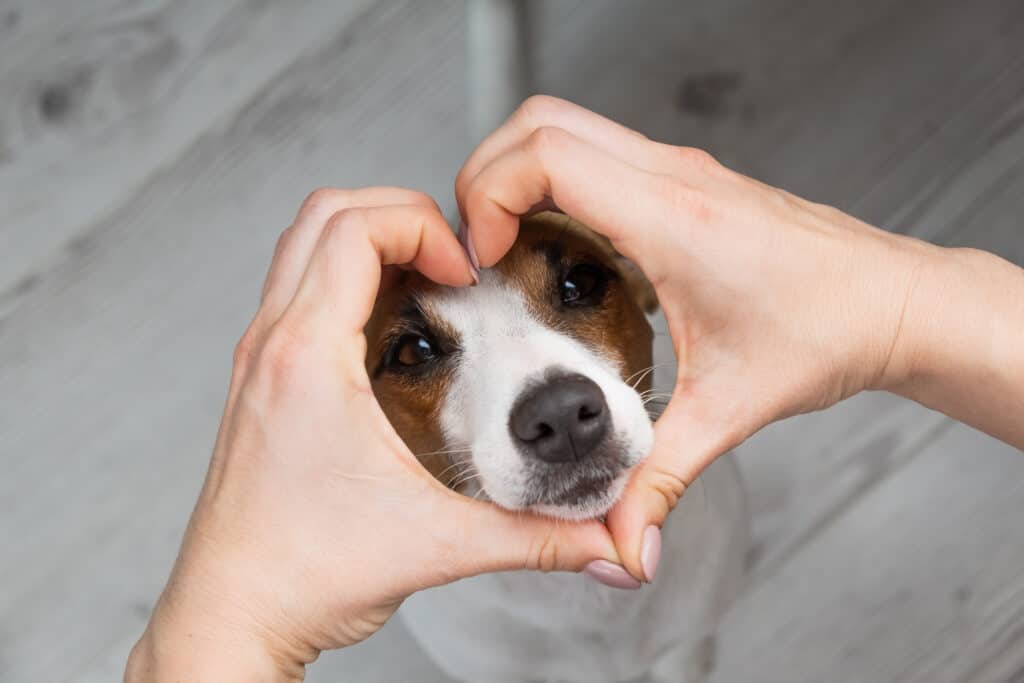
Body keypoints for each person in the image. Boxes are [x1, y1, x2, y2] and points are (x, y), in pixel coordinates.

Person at [125, 96, 1024, 681]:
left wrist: (901, 312)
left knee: (692, 634)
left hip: (688, 568)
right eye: (413, 354)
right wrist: (236, 620)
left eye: (575, 288)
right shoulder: (446, 615)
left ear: (647, 289)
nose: (551, 400)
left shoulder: (710, 511)